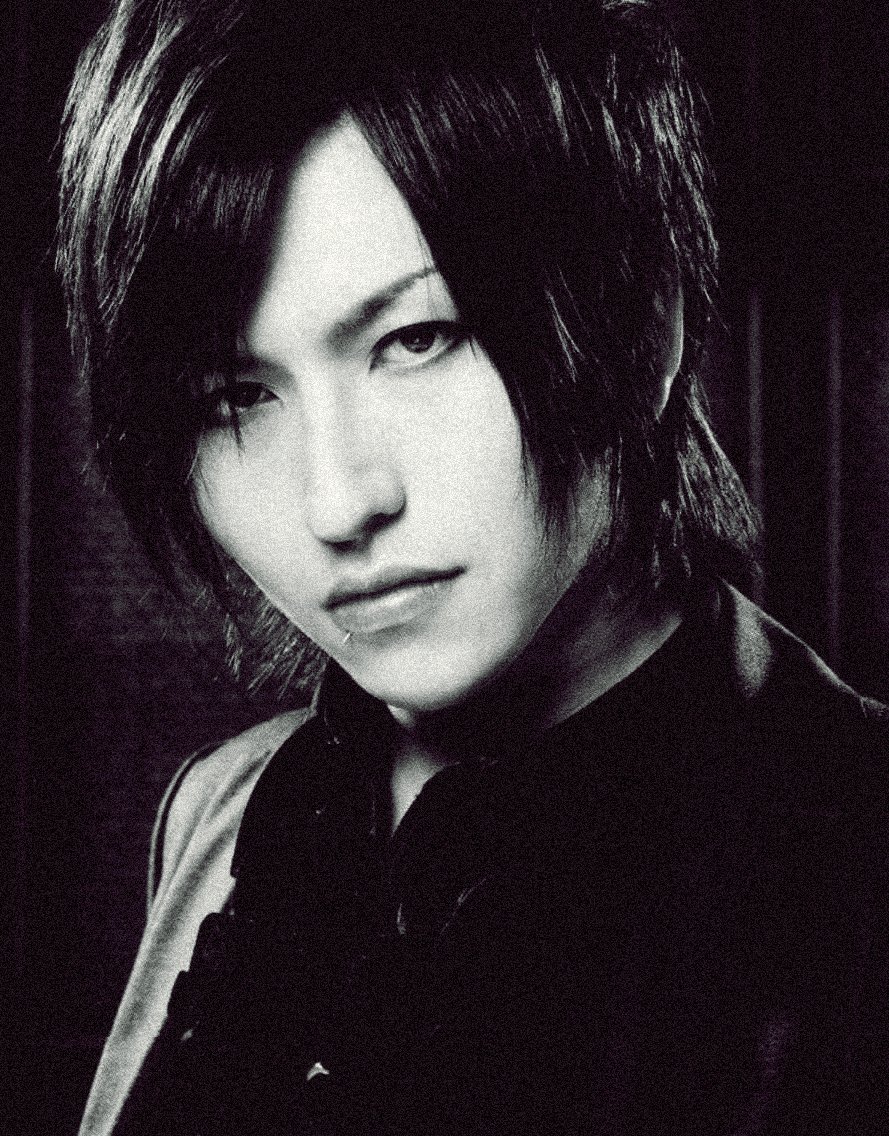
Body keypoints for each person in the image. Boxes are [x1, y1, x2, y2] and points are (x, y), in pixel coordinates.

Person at [57, 0, 889, 1132]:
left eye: (417, 339)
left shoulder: (849, 854)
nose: (338, 501)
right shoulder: (222, 812)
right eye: (234, 396)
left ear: (641, 327)